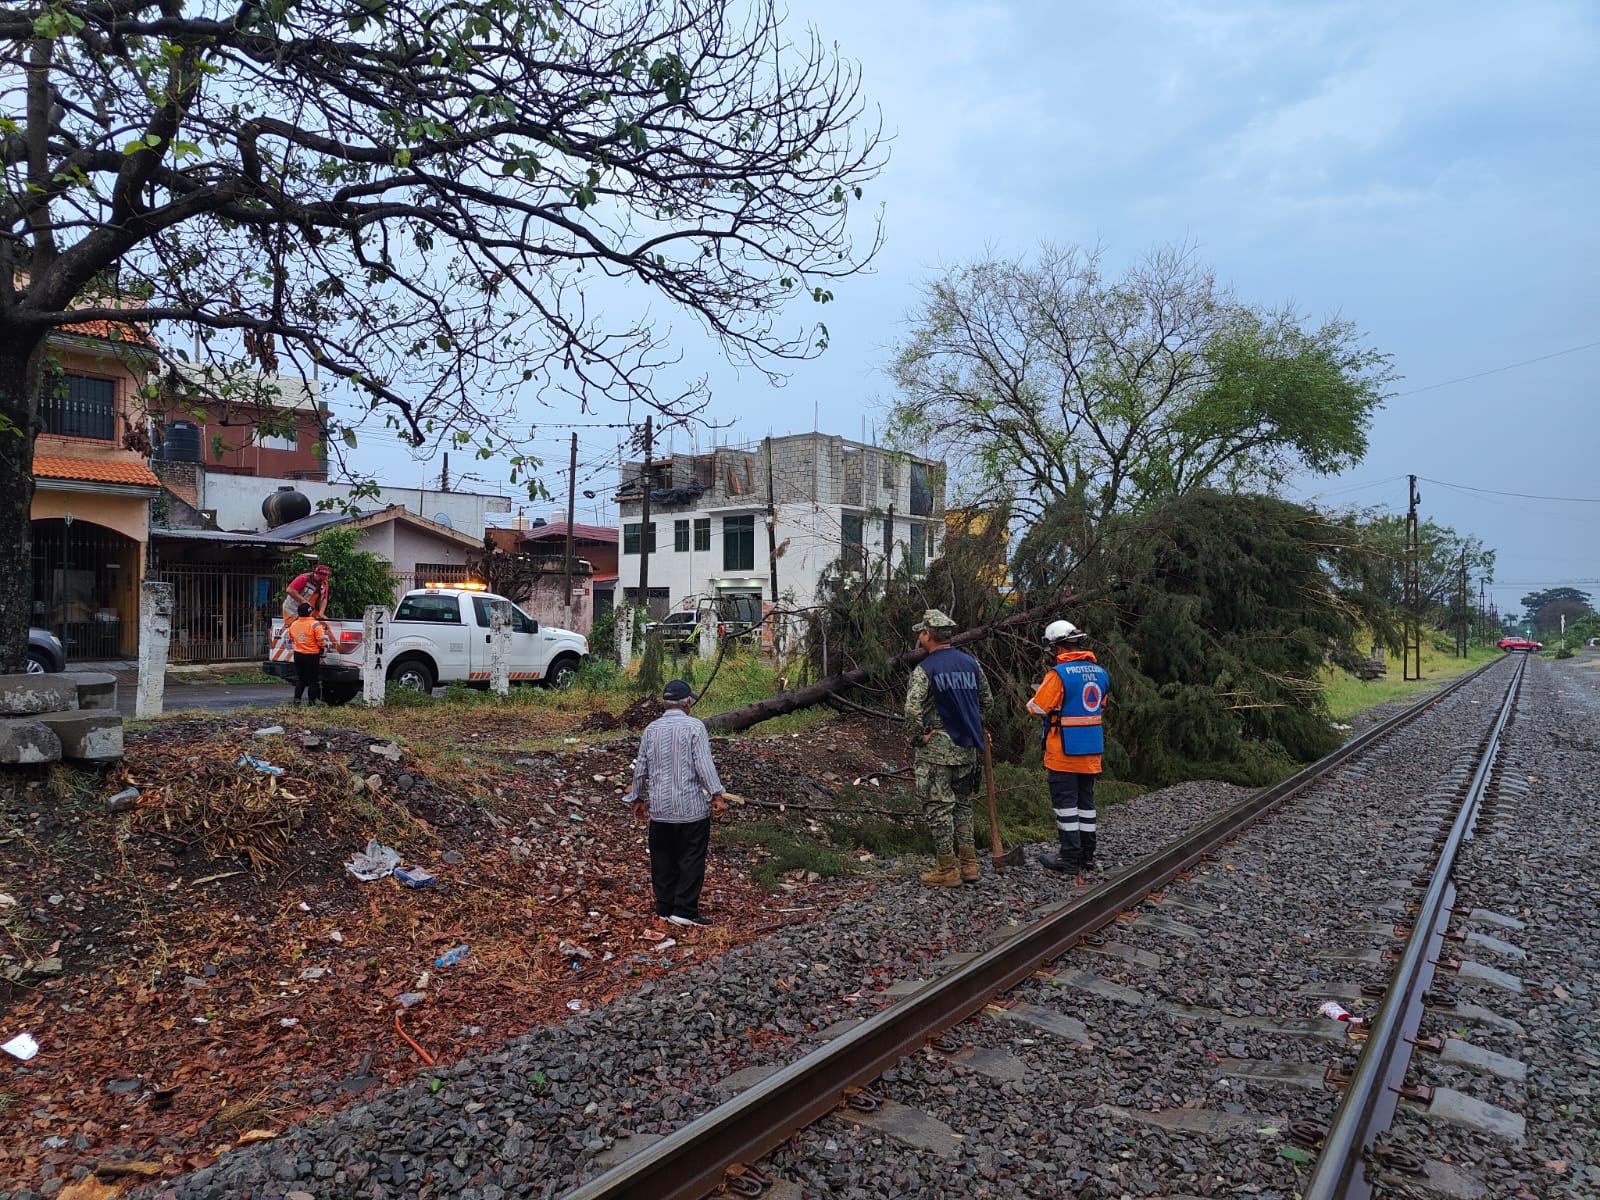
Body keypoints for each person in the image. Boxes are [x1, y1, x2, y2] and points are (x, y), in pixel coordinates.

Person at [624, 679, 728, 927]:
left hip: (660, 810)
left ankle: (664, 907)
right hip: (690, 808)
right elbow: (704, 764)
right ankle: (684, 910)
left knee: (662, 859)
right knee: (691, 858)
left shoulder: (651, 730)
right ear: (688, 702)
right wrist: (717, 795)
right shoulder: (695, 727)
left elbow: (641, 768)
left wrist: (637, 798)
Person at [904, 609, 993, 887]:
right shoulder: (971, 664)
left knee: (939, 809)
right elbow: (987, 703)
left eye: (922, 632)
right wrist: (974, 726)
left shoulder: (925, 669)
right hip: (967, 748)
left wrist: (919, 737)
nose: (920, 636)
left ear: (927, 635)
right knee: (963, 805)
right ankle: (970, 866)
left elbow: (912, 709)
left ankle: (947, 870)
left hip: (937, 751)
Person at [1028, 619, 1110, 874]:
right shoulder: (1100, 672)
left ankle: (1069, 857)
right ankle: (1087, 855)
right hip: (1091, 750)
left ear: (1057, 646)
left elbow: (1038, 707)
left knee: (1065, 806)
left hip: (1063, 752)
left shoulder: (1059, 674)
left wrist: (1035, 697)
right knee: (1086, 805)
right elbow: (1100, 705)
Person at [285, 602, 335, 705]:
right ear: (310, 612)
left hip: (298, 654)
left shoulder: (294, 624)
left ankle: (296, 701)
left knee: (301, 679)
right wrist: (323, 648)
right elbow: (321, 641)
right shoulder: (315, 624)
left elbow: (291, 637)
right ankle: (311, 703)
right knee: (312, 680)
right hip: (312, 655)